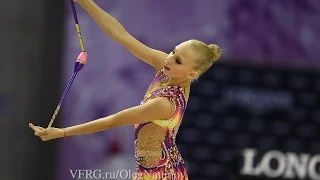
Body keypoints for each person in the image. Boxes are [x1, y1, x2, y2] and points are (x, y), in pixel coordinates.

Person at [29, 0, 222, 179]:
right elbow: (121, 36)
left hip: (161, 174)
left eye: (178, 60)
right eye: (173, 51)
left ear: (192, 75)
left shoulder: (165, 104)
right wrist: (85, 2)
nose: (169, 58)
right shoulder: (165, 69)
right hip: (150, 170)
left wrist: (61, 133)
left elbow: (112, 121)